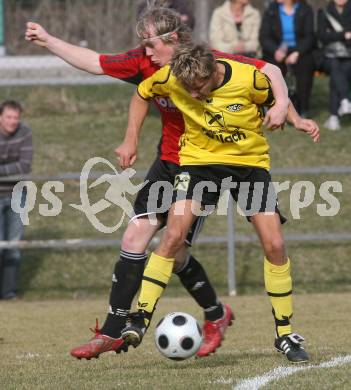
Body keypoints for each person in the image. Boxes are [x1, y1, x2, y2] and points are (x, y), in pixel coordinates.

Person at [25, 7, 310, 360]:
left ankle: (220, 314)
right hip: (178, 163)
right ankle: (121, 329)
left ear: (173, 40)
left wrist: (288, 110)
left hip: (221, 163)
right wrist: (49, 40)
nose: (144, 52)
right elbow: (98, 64)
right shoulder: (151, 68)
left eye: (150, 45)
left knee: (178, 251)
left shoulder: (214, 64)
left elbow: (269, 76)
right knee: (141, 237)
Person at [119, 41, 319, 364]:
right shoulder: (173, 77)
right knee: (172, 235)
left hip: (249, 167)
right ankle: (140, 317)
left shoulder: (247, 79)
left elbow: (274, 93)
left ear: (214, 71)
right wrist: (131, 138)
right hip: (199, 165)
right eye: (188, 90)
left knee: (275, 244)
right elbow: (142, 93)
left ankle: (285, 334)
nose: (193, 95)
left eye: (198, 88)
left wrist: (294, 118)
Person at [259, 0, 316, 117]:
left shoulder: (305, 9)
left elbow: (310, 37)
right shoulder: (271, 10)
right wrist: (275, 50)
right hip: (276, 50)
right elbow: (264, 36)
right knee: (271, 68)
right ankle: (274, 106)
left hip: (299, 50)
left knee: (306, 64)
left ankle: (303, 108)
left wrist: (298, 52)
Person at [0, 100, 33, 300]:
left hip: (16, 194)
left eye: (16, 117)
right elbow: (17, 166)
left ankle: (9, 293)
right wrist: (11, 169)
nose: (13, 121)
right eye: (8, 117)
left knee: (14, 246)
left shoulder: (25, 132)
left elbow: (25, 166)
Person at [317, 0, 351, 131]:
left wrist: (332, 34)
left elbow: (328, 35)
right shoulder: (324, 12)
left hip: (348, 56)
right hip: (328, 56)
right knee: (335, 65)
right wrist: (344, 34)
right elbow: (322, 36)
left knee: (338, 72)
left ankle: (334, 116)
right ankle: (344, 100)